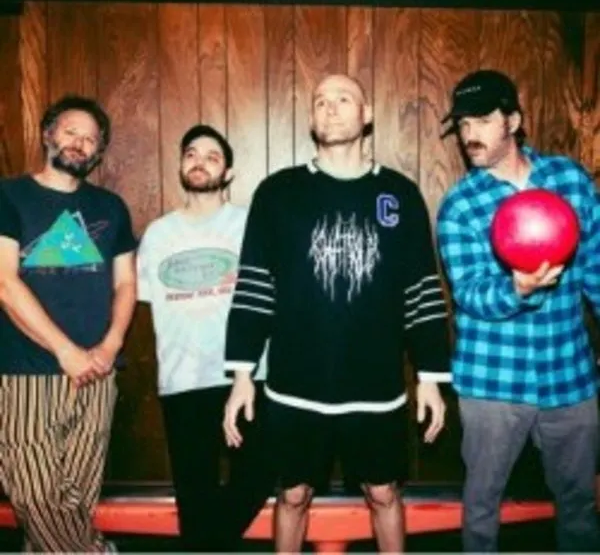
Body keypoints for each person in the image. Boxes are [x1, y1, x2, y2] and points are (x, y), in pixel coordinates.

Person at [223, 73, 450, 553]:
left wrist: (430, 376)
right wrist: (242, 373)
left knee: (384, 494)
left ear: (366, 115)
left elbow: (422, 290)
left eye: (343, 98)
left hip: (377, 386)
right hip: (295, 385)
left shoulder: (399, 194)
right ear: (311, 117)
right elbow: (255, 287)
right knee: (292, 495)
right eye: (321, 100)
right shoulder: (278, 193)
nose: (330, 107)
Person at [436, 69, 600, 552]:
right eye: (463, 124)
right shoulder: (460, 205)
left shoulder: (570, 181)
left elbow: (595, 268)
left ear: (513, 121)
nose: (470, 134)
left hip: (569, 375)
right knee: (482, 506)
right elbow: (469, 292)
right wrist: (516, 288)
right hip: (492, 381)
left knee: (579, 503)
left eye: (482, 121)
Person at [0, 94, 137, 552]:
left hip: (97, 372)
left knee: (77, 500)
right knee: (36, 494)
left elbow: (126, 284)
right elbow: (4, 282)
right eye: (70, 131)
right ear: (48, 134)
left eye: (90, 139)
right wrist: (65, 352)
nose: (79, 142)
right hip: (24, 373)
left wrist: (110, 346)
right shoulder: (8, 195)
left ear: (99, 152)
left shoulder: (111, 207)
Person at [137, 124, 271, 552]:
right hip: (183, 380)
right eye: (191, 154)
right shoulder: (158, 234)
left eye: (212, 157)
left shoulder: (251, 225)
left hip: (248, 377)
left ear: (228, 173)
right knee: (194, 495)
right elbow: (144, 300)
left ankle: (209, 543)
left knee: (259, 475)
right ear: (180, 165)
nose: (200, 162)